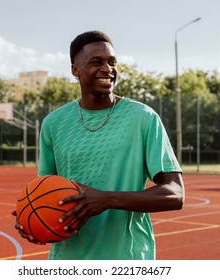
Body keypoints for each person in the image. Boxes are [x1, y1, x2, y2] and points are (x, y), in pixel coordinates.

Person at [13, 30, 184, 260]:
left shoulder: (144, 118)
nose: (107, 69)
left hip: (128, 258)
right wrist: (32, 218)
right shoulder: (53, 123)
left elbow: (175, 193)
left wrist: (107, 199)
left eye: (112, 62)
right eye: (96, 62)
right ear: (75, 70)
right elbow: (45, 192)